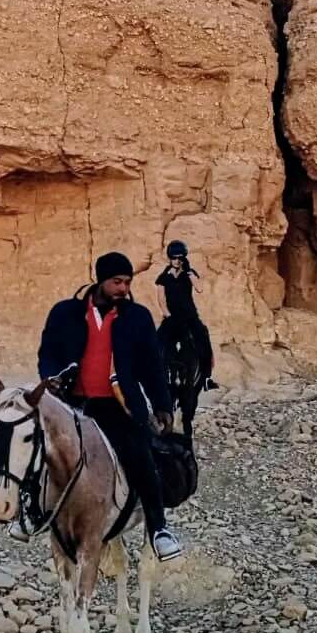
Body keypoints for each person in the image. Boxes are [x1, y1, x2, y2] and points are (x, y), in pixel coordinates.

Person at [37, 251, 185, 562]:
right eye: (117, 282)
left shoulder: (138, 318)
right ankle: (30, 514)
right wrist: (50, 377)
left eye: (127, 282)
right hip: (73, 404)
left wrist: (161, 405)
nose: (123, 288)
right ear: (101, 280)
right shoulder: (65, 313)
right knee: (37, 449)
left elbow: (151, 366)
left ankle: (159, 530)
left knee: (141, 456)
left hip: (117, 405)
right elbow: (48, 351)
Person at [155, 240, 217, 391]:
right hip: (171, 317)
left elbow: (199, 288)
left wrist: (189, 271)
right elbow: (161, 300)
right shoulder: (163, 277)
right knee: (157, 342)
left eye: (180, 258)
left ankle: (207, 377)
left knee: (203, 336)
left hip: (190, 316)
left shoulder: (189, 273)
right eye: (174, 258)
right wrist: (167, 315)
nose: (177, 261)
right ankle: (154, 376)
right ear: (169, 258)